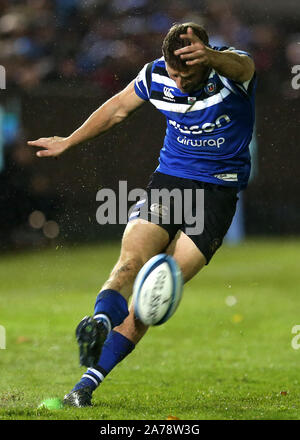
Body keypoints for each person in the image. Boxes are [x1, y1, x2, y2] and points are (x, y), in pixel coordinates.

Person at [28, 23, 256, 407]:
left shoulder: (231, 71)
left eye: (188, 74)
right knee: (129, 264)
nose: (179, 82)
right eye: (174, 72)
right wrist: (69, 141)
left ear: (205, 59)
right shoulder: (155, 75)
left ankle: (85, 385)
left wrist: (213, 57)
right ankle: (99, 321)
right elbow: (118, 108)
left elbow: (242, 66)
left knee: (152, 298)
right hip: (169, 185)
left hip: (217, 196)